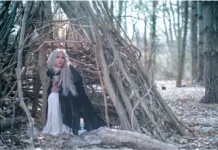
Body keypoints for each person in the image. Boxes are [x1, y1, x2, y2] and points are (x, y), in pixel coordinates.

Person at [42, 48, 106, 135]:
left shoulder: (70, 70)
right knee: (52, 96)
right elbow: (50, 89)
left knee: (55, 96)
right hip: (60, 97)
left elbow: (75, 90)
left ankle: (65, 127)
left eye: (62, 57)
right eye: (57, 57)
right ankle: (56, 126)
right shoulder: (51, 71)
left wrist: (60, 90)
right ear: (53, 58)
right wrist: (54, 90)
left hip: (73, 101)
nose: (60, 59)